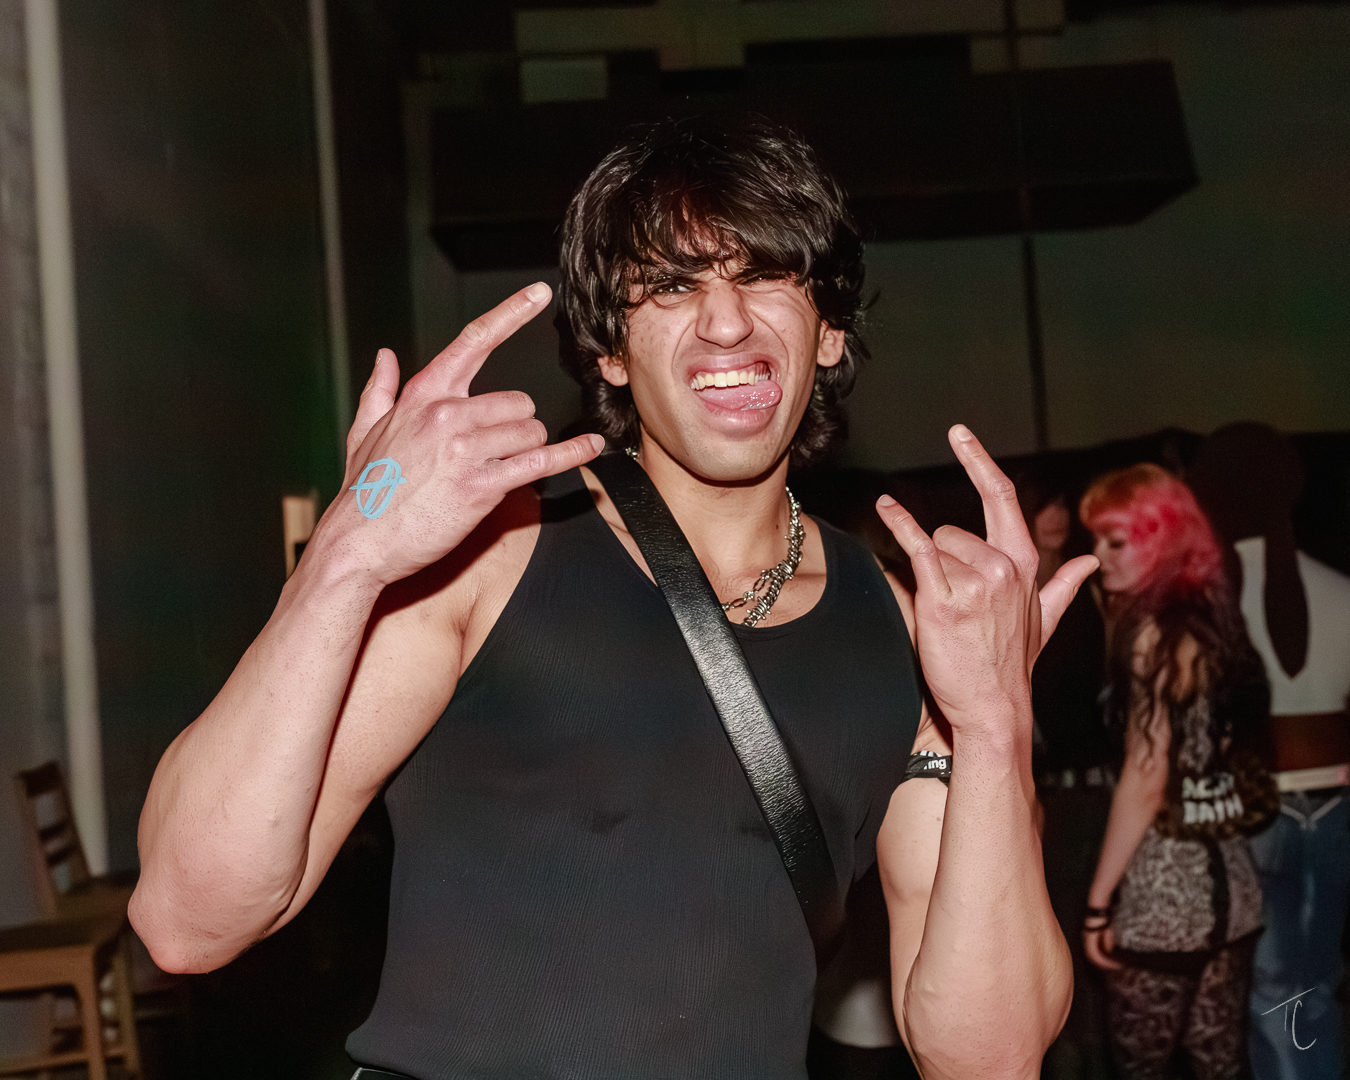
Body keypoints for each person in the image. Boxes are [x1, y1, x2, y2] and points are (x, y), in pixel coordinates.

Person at [128, 116, 1096, 1080]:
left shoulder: (903, 628)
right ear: (610, 352)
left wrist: (996, 721)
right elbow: (187, 918)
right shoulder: (489, 557)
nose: (726, 321)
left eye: (766, 274)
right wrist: (346, 553)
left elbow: (989, 1059)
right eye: (672, 285)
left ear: (829, 329)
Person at [1080, 463, 1270, 1080]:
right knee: (1220, 1066)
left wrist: (1098, 903)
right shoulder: (1214, 619)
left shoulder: (1149, 635)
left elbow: (1146, 775)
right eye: (1096, 540)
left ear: (1161, 540)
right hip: (1234, 888)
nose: (1099, 557)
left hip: (1162, 897)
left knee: (1141, 1070)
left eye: (1116, 541)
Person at [1190, 423, 1350, 1080]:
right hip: (1337, 808)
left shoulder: (1199, 601)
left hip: (1249, 811)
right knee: (1315, 986)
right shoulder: (1340, 589)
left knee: (1273, 993)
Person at [1017, 475, 1113, 1080]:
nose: (1056, 514)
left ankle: (1089, 1058)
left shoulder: (1092, 590)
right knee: (1053, 938)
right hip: (1041, 791)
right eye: (1044, 504)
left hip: (1095, 785)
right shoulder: (1010, 591)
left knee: (1090, 933)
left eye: (1061, 504)